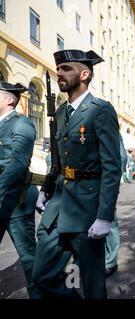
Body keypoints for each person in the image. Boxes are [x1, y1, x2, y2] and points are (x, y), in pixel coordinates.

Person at [32, 49, 122, 299]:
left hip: (87, 209)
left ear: (84, 74)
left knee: (93, 286)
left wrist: (105, 216)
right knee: (42, 276)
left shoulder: (100, 109)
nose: (59, 73)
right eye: (58, 69)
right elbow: (57, 164)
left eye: (66, 69)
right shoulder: (61, 113)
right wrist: (45, 190)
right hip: (58, 206)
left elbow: (112, 167)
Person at [0, 81, 39, 297]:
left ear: (9, 100)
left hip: (17, 200)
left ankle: (39, 293)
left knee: (28, 257)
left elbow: (17, 163)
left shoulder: (21, 124)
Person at [104, 134, 127, 277]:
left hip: (105, 185)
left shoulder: (109, 126)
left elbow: (122, 158)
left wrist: (112, 183)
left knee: (109, 222)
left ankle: (110, 262)